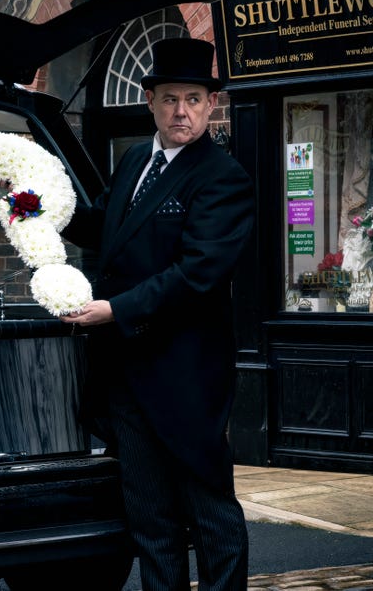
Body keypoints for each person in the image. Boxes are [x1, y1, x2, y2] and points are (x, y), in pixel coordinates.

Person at [61, 37, 254, 591]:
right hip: (126, 373)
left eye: (193, 99)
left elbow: (197, 274)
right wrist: (30, 205)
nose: (181, 112)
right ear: (149, 100)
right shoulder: (133, 163)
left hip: (186, 376)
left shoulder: (222, 178)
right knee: (150, 521)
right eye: (170, 99)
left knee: (211, 515)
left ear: (210, 105)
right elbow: (102, 229)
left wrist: (112, 310)